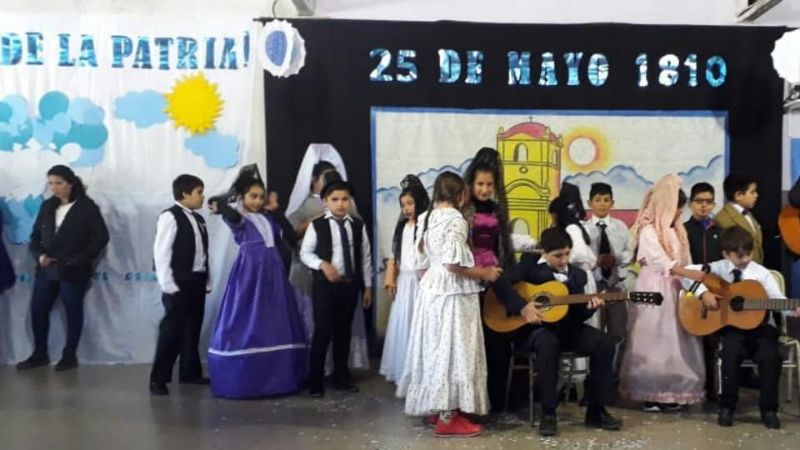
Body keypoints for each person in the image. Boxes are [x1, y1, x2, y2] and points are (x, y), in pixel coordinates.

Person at [397, 171, 502, 438]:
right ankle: (448, 417)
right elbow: (453, 264)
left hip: (431, 290)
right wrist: (485, 272)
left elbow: (421, 263)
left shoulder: (426, 217)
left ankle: (438, 406)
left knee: (436, 348)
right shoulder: (455, 219)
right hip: (453, 293)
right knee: (455, 349)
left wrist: (432, 286)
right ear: (461, 195)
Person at [493, 227, 622, 436]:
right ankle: (548, 412)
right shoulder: (528, 266)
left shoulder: (577, 275)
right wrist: (523, 307)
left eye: (567, 254)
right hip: (534, 330)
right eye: (558, 256)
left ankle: (596, 410)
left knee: (605, 343)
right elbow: (500, 283)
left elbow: (577, 315)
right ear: (543, 252)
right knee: (548, 343)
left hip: (567, 329)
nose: (564, 260)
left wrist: (591, 307)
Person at [207, 172, 307, 398]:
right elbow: (231, 214)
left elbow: (291, 237)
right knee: (248, 316)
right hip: (251, 274)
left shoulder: (266, 218)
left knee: (274, 319)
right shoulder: (240, 218)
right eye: (253, 196)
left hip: (273, 273)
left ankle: (280, 379)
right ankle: (246, 378)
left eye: (261, 197)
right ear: (241, 197)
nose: (258, 201)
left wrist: (276, 210)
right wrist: (223, 203)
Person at [690, 226, 797, 429]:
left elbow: (777, 300)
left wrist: (792, 309)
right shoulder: (717, 268)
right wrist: (703, 293)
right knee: (730, 354)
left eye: (748, 253)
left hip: (762, 328)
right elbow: (687, 273)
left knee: (770, 357)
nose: (745, 259)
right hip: (732, 328)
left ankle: (769, 410)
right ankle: (727, 407)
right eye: (739, 256)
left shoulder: (761, 274)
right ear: (726, 254)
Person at [619, 175, 707, 411]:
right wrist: (686, 272)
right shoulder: (648, 230)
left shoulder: (677, 231)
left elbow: (684, 260)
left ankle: (672, 390)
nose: (679, 213)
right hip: (654, 287)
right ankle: (650, 391)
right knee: (653, 337)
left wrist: (690, 277)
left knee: (676, 339)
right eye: (677, 208)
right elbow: (658, 261)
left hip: (676, 287)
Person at [17, 165, 109, 371]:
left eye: (58, 183)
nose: (54, 187)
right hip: (46, 269)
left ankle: (69, 355)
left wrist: (80, 259)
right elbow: (35, 237)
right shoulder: (47, 206)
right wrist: (40, 255)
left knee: (72, 311)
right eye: (50, 183)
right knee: (38, 310)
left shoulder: (86, 207)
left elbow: (100, 237)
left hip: (73, 270)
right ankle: (39, 353)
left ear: (70, 183)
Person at [286, 144, 369, 373]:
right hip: (314, 276)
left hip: (346, 277)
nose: (340, 203)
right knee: (319, 328)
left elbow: (362, 249)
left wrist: (367, 284)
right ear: (314, 181)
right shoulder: (305, 205)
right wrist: (317, 221)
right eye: (326, 177)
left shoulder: (349, 211)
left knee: (343, 328)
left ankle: (341, 372)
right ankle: (316, 374)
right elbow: (293, 235)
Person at [300, 179, 373, 397]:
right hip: (325, 287)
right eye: (335, 199)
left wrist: (368, 286)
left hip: (349, 287)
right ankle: (316, 380)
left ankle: (341, 377)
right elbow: (305, 253)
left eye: (344, 199)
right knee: (322, 332)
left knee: (344, 333)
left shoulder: (357, 225)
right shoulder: (318, 225)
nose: (340, 204)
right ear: (325, 201)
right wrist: (322, 264)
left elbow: (365, 257)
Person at [149, 174, 210, 395]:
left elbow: (203, 253)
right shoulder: (170, 216)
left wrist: (207, 279)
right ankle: (158, 379)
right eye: (199, 192)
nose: (203, 197)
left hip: (196, 281)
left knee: (192, 329)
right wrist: (168, 284)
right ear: (185, 193)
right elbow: (161, 252)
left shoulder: (199, 219)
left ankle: (190, 372)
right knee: (171, 332)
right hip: (178, 283)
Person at [380, 175, 429, 383]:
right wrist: (391, 277)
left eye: (410, 203)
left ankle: (421, 374)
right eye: (403, 205)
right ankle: (403, 371)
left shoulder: (426, 226)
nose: (406, 208)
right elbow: (396, 255)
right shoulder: (403, 227)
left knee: (420, 324)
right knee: (404, 322)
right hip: (405, 282)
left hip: (422, 282)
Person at [584, 182, 633, 343]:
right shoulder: (583, 229)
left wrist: (616, 259)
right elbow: (578, 258)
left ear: (612, 203)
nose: (602, 204)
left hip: (615, 285)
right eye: (597, 200)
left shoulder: (621, 227)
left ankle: (617, 360)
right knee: (594, 333)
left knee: (619, 333)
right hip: (592, 287)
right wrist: (596, 261)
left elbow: (630, 253)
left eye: (606, 200)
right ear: (589, 203)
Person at [713, 173, 762, 264]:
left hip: (754, 268)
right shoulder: (723, 219)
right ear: (738, 195)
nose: (756, 195)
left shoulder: (748, 214)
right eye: (752, 192)